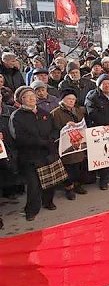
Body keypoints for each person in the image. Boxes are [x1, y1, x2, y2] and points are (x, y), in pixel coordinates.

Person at [9, 86, 59, 221]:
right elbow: (19, 137)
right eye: (27, 96)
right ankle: (31, 210)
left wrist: (51, 139)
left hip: (47, 153)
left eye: (33, 95)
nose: (32, 98)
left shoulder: (44, 113)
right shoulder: (16, 116)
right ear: (21, 100)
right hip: (29, 156)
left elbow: (55, 129)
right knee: (33, 184)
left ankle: (48, 202)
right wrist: (41, 142)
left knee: (50, 180)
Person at [50, 88, 88, 199]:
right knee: (69, 168)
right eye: (68, 99)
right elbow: (54, 130)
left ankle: (77, 185)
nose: (71, 101)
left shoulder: (78, 110)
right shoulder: (56, 113)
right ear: (62, 100)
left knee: (79, 166)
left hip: (79, 143)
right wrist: (66, 127)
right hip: (66, 145)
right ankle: (69, 188)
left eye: (73, 99)